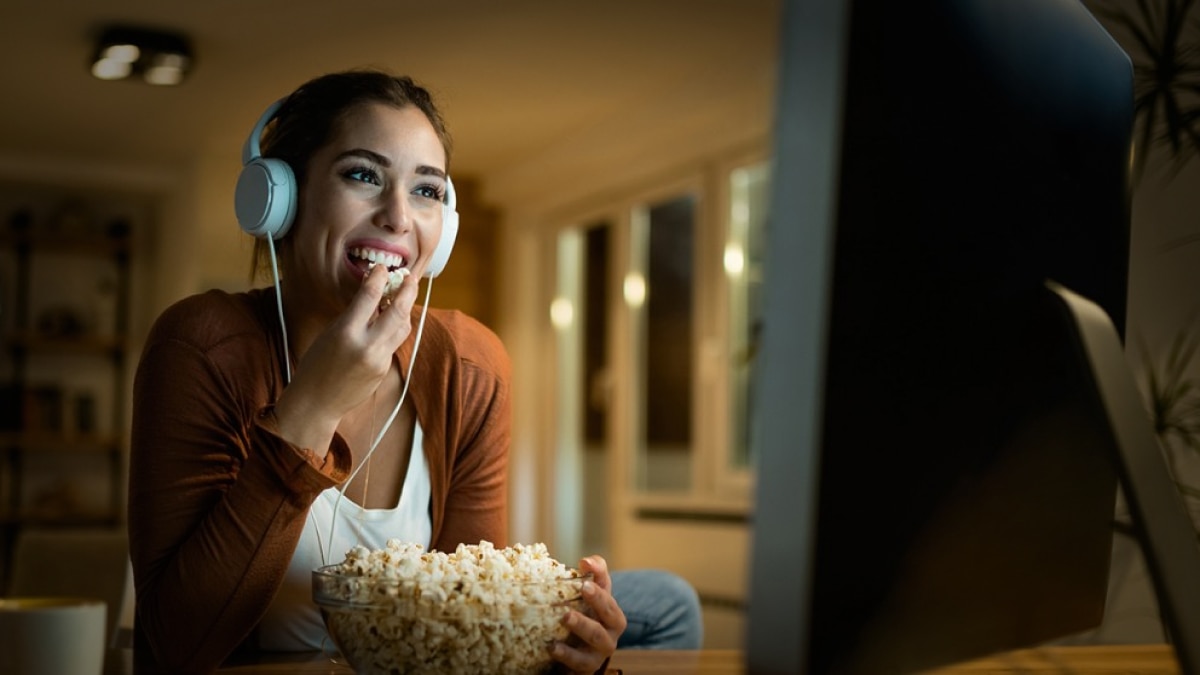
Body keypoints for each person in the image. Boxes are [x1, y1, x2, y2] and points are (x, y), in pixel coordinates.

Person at [127, 68, 700, 675]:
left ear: (444, 231)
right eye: (362, 175)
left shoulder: (469, 363)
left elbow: (462, 632)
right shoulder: (204, 345)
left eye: (426, 191)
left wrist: (566, 657)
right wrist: (311, 409)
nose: (399, 217)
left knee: (665, 604)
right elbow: (174, 647)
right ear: (280, 200)